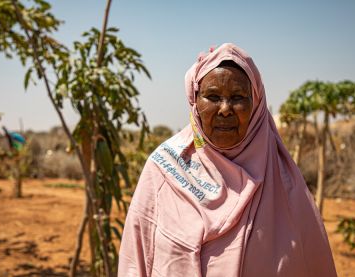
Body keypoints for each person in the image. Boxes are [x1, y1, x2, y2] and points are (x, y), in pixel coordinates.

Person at [118, 43, 337, 276]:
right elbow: (137, 256)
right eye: (212, 96)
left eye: (237, 97)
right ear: (195, 102)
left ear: (256, 104)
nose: (224, 109)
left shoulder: (284, 184)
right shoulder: (164, 167)